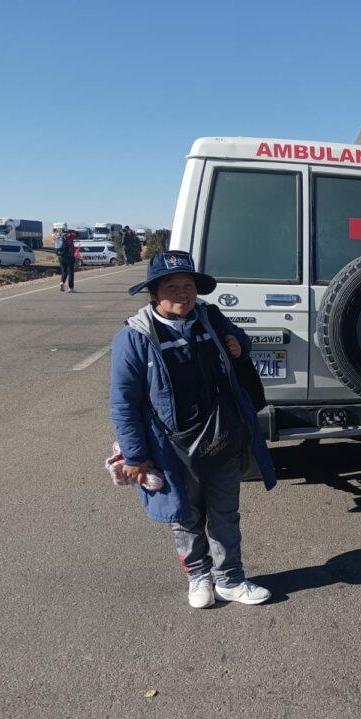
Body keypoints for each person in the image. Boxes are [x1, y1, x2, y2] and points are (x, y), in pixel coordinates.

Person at [110, 250, 278, 609]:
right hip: (171, 448)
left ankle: (230, 579)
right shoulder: (135, 336)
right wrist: (137, 456)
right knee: (185, 517)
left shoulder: (210, 317)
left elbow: (241, 344)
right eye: (172, 286)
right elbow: (123, 402)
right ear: (154, 292)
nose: (183, 293)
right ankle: (198, 577)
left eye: (189, 285)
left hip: (221, 437)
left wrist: (239, 346)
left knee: (225, 513)